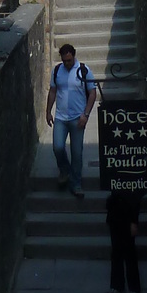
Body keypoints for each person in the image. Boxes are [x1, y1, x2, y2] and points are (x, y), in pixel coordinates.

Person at [45, 43, 96, 198]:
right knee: (58, 147)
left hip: (77, 118)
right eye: (64, 60)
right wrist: (48, 112)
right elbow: (53, 92)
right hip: (61, 117)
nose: (67, 63)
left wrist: (85, 115)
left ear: (74, 56)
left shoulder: (83, 70)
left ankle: (76, 184)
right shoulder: (57, 71)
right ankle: (65, 169)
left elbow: (92, 93)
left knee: (77, 152)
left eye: (69, 60)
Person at [105, 187, 142, 293]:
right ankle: (119, 286)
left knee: (129, 252)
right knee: (117, 251)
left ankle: (132, 288)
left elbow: (135, 198)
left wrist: (134, 221)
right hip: (116, 215)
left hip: (126, 215)